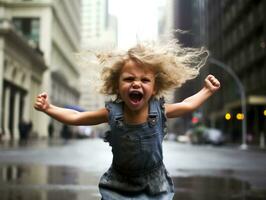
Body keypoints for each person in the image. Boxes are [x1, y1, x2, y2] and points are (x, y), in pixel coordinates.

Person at [34, 40, 220, 199]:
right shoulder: (112, 112)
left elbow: (187, 105)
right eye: (129, 78)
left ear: (155, 88)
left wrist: (206, 91)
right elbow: (77, 117)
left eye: (145, 80)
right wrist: (49, 108)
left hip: (154, 183)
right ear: (117, 85)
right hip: (119, 181)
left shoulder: (159, 110)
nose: (136, 83)